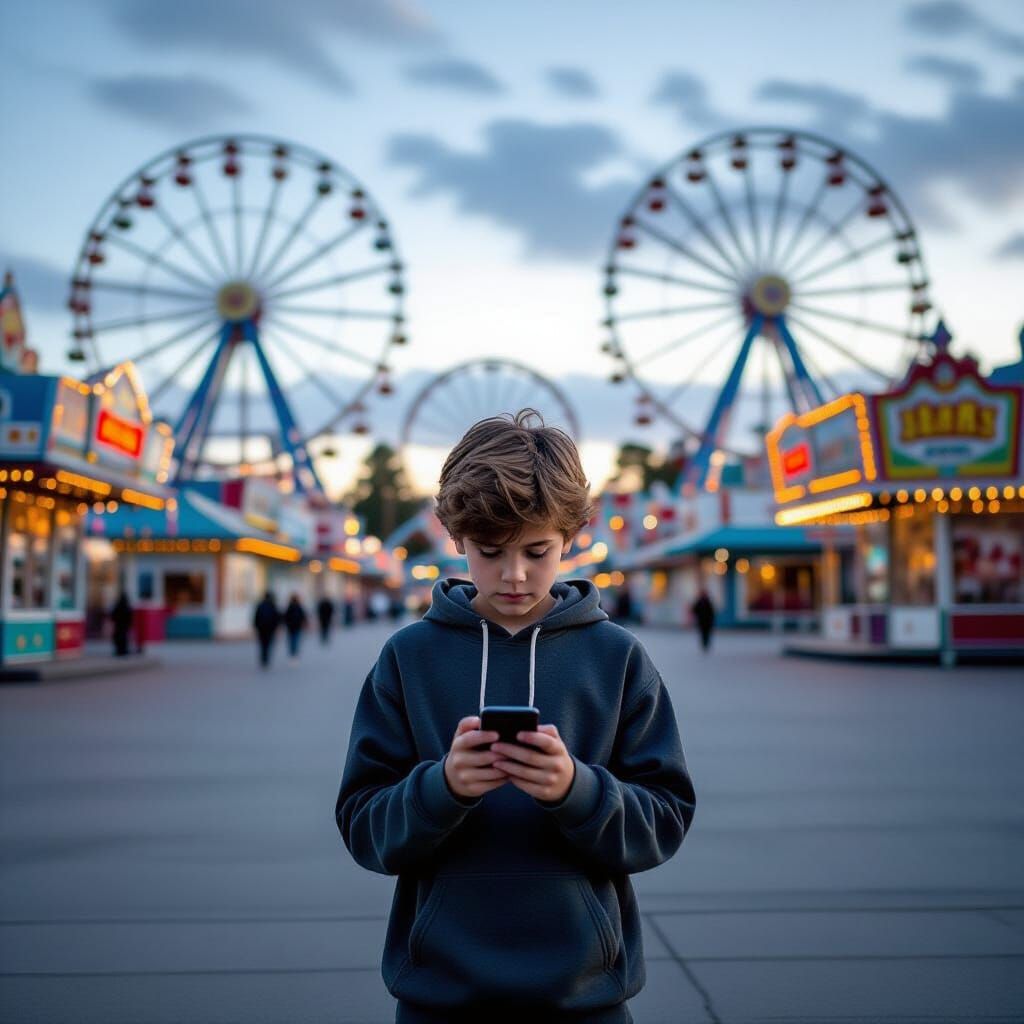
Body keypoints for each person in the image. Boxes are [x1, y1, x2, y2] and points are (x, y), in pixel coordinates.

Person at [336, 409, 696, 1022]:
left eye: (537, 550)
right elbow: (364, 828)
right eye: (490, 551)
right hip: (438, 997)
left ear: (573, 534)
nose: (515, 574)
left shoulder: (617, 658)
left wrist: (577, 790)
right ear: (454, 536)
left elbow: (664, 821)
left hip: (585, 997)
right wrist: (441, 787)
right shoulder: (409, 658)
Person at [253, 591, 280, 669]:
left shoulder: (260, 605)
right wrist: (276, 627)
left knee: (262, 644)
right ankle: (266, 658)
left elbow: (256, 616)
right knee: (268, 643)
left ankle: (263, 658)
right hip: (270, 628)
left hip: (261, 628)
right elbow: (276, 617)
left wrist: (255, 625)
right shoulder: (273, 605)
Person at [283, 593, 308, 659]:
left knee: (291, 639)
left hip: (290, 626)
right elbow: (303, 616)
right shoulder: (299, 607)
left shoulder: (289, 607)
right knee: (296, 639)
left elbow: (285, 617)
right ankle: (295, 652)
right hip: (297, 626)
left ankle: (292, 652)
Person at [110, 592, 133, 657]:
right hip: (124, 626)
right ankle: (123, 650)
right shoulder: (127, 606)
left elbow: (113, 616)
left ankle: (119, 650)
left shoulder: (117, 606)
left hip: (118, 626)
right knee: (124, 638)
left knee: (118, 637)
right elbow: (130, 617)